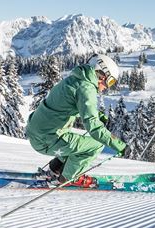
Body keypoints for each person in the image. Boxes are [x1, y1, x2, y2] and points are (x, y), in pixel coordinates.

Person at [25, 54, 128, 185]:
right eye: (110, 81)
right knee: (95, 146)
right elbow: (94, 127)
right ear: (102, 75)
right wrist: (120, 146)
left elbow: (66, 107)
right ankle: (68, 178)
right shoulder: (86, 88)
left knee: (74, 143)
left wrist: (96, 115)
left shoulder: (73, 80)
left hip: (36, 133)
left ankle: (55, 169)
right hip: (47, 140)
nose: (107, 87)